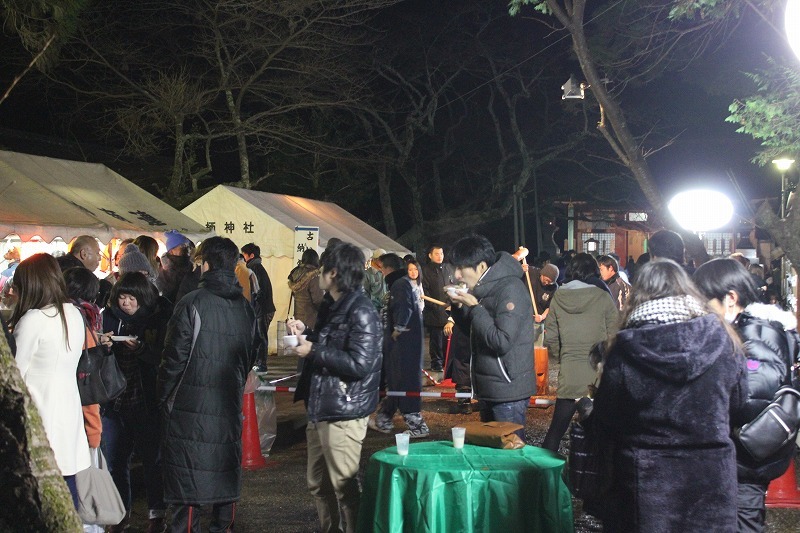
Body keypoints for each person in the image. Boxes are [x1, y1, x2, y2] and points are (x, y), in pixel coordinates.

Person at [591, 259, 748, 531]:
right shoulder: (723, 340)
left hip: (647, 483)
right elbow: (738, 404)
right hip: (712, 478)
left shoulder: (626, 348)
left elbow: (607, 418)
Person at [158, 237, 256, 533]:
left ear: (206, 264)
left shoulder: (191, 303)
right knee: (224, 476)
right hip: (227, 403)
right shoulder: (245, 308)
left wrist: (164, 398)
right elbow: (250, 355)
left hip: (188, 406)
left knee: (188, 486)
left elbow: (173, 360)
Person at [694, 259, 798, 532]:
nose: (703, 311)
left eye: (707, 303)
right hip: (747, 458)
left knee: (743, 522)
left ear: (730, 298)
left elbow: (752, 401)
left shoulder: (755, 335)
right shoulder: (756, 328)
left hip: (745, 459)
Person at [288, 242, 382, 533]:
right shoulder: (334, 304)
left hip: (344, 411)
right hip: (321, 407)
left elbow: (359, 364)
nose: (317, 276)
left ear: (333, 274)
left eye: (321, 271)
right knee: (318, 484)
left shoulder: (361, 310)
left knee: (346, 489)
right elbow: (332, 343)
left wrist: (312, 351)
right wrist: (308, 333)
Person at [10, 254, 90, 511]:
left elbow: (13, 377)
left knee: (43, 497)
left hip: (40, 416)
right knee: (67, 491)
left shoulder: (34, 320)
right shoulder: (73, 315)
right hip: (68, 410)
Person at [102, 272, 171, 532]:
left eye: (132, 298)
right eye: (122, 297)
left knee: (153, 460)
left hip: (146, 400)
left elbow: (165, 358)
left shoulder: (157, 320)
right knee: (116, 460)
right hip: (115, 402)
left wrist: (141, 349)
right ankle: (120, 513)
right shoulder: (109, 318)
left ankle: (157, 514)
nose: (126, 303)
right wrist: (104, 345)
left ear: (143, 299)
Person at [448, 234, 535, 441]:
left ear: (481, 266)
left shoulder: (510, 289)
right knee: (492, 451)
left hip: (508, 390)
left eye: (461, 268)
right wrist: (459, 307)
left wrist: (474, 307)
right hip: (489, 387)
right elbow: (475, 329)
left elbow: (500, 341)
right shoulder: (484, 288)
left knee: (509, 453)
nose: (457, 275)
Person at [542, 253, 618, 452]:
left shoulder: (559, 296)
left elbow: (551, 334)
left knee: (555, 431)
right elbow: (614, 335)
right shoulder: (603, 296)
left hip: (570, 371)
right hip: (597, 375)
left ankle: (543, 476)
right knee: (601, 434)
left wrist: (560, 358)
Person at [368, 253, 429, 438]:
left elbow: (404, 308)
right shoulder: (401, 283)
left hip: (403, 345)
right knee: (395, 381)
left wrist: (398, 328)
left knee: (403, 380)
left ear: (387, 268)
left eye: (381, 269)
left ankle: (418, 426)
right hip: (399, 344)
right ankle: (384, 420)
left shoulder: (399, 284)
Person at [242, 243, 277, 371]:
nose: (244, 258)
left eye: (245, 255)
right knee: (258, 336)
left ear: (251, 255)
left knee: (260, 336)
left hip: (263, 309)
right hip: (263, 308)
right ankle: (258, 363)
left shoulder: (254, 268)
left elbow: (258, 291)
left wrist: (253, 303)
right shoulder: (257, 267)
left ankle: (261, 364)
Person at [421, 244, 455, 374]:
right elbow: (425, 292)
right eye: (436, 254)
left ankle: (448, 362)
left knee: (448, 339)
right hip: (434, 311)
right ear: (430, 256)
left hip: (449, 310)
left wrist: (452, 304)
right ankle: (436, 363)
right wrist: (437, 306)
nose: (440, 256)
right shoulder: (425, 271)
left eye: (441, 253)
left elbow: (454, 286)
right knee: (436, 340)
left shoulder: (448, 268)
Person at [288, 248, 325, 331]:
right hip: (310, 321)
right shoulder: (313, 277)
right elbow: (318, 300)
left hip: (297, 319)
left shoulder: (296, 274)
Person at [156, 230, 194, 303]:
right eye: (181, 246)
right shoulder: (165, 268)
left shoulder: (190, 265)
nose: (185, 248)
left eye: (185, 245)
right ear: (171, 251)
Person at [363, 248, 387, 313]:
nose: (383, 261)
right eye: (381, 259)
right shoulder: (367, 274)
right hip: (373, 309)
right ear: (375, 259)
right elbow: (365, 293)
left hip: (386, 309)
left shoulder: (386, 271)